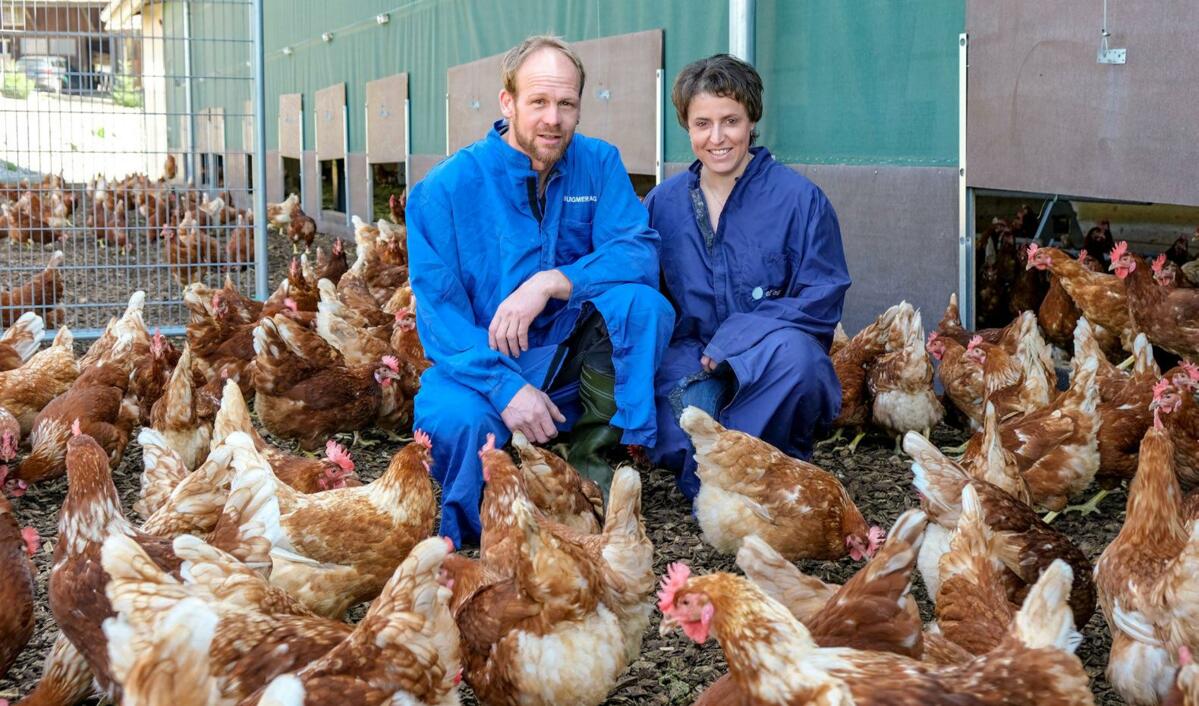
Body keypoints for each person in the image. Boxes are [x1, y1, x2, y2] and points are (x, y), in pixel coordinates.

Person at [406, 36, 674, 547]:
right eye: (539, 102)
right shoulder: (444, 191)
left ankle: (588, 458)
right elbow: (441, 318)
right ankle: (482, 538)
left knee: (643, 306)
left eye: (566, 104)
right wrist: (506, 389)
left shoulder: (598, 163)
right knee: (459, 423)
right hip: (479, 365)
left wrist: (553, 281)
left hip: (569, 359)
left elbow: (639, 252)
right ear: (507, 103)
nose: (553, 118)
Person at [644, 54, 851, 500]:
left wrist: (738, 338)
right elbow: (648, 293)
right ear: (686, 126)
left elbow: (823, 295)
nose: (717, 138)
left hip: (769, 358)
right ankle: (733, 490)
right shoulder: (662, 204)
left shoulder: (801, 201)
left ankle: (757, 479)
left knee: (801, 361)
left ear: (752, 119)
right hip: (690, 355)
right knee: (681, 411)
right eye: (702, 124)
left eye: (730, 121)